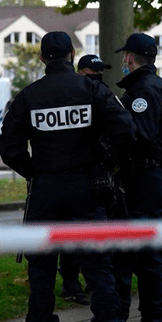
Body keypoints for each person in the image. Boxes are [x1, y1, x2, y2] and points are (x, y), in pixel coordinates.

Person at [0, 31, 135, 322]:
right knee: (99, 270)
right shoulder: (92, 90)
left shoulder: (29, 96)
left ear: (43, 57)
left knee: (42, 273)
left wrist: (34, 171)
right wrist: (106, 163)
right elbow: (126, 132)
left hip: (45, 192)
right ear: (72, 54)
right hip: (87, 189)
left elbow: (9, 146)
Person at [80, 33, 162, 322]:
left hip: (137, 182)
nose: (123, 62)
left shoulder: (141, 92)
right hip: (152, 179)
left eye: (125, 56)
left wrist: (111, 157)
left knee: (125, 259)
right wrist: (159, 160)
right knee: (150, 258)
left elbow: (134, 135)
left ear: (130, 57)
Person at [57, 53, 115, 308]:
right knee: (71, 233)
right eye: (93, 76)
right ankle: (71, 283)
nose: (98, 81)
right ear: (79, 72)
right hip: (67, 174)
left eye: (101, 76)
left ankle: (90, 282)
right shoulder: (69, 95)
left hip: (95, 174)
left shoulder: (102, 95)